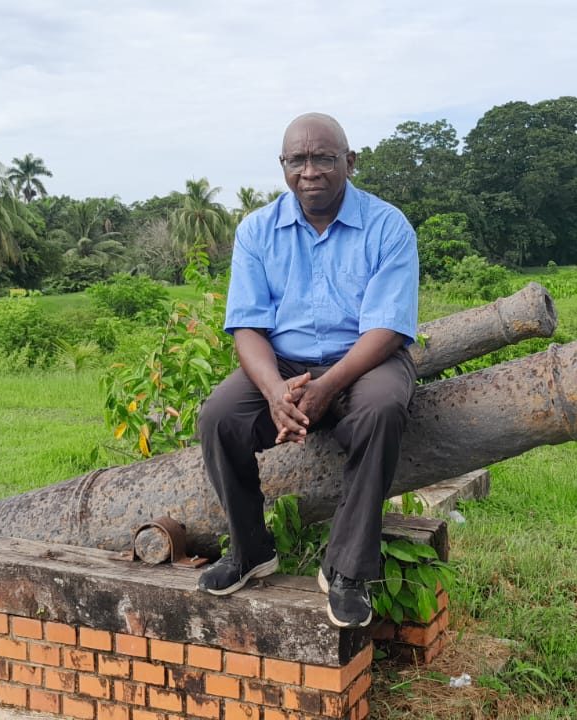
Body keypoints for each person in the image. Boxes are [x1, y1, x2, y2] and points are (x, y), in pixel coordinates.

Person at [195, 112, 419, 629]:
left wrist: (326, 388)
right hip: (285, 364)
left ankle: (347, 568)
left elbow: (387, 327)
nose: (310, 170)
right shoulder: (257, 230)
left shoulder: (387, 226)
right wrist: (276, 393)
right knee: (220, 417)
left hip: (365, 358)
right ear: (283, 165)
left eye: (324, 157)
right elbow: (247, 327)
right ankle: (251, 549)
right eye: (298, 159)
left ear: (350, 162)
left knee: (382, 408)